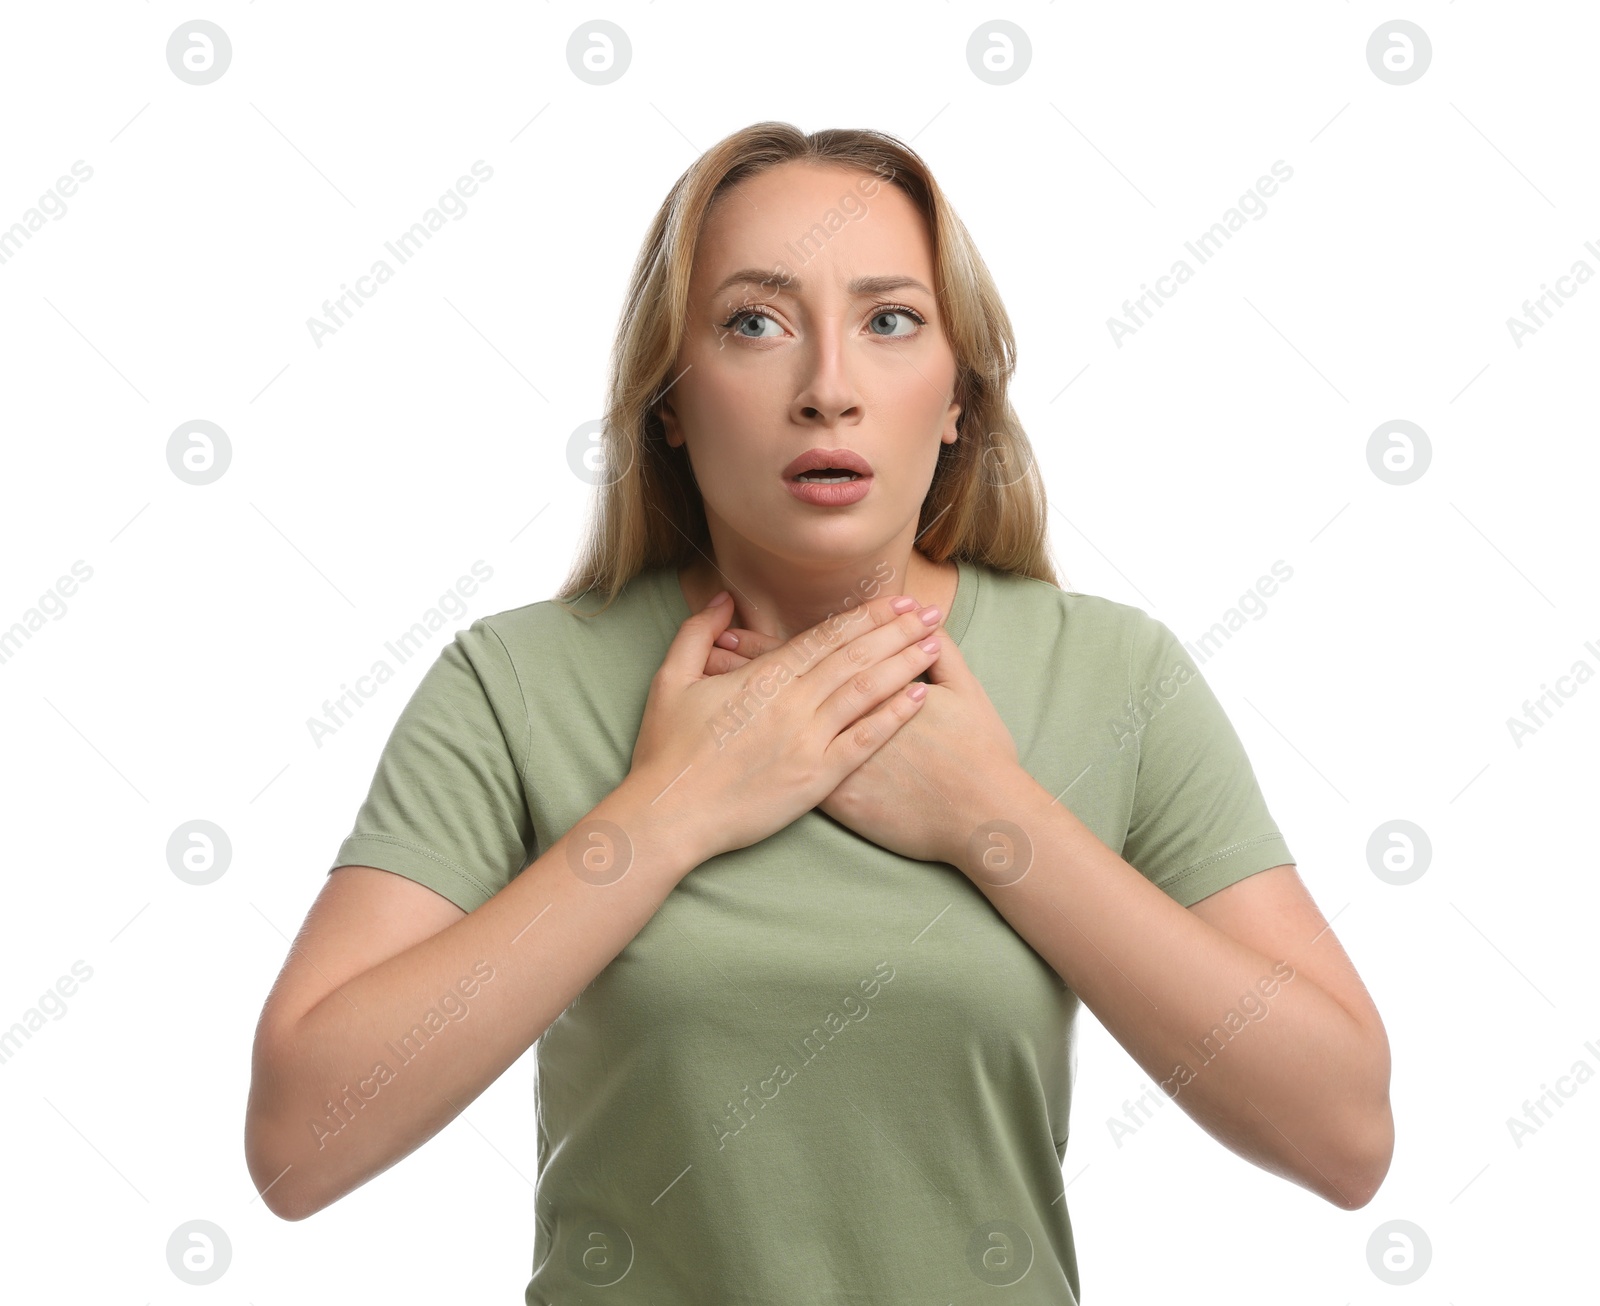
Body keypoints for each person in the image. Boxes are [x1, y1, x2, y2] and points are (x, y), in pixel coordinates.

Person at [244, 122, 1393, 1303]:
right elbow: (297, 1143)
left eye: (890, 321)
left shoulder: (1110, 674)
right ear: (671, 403)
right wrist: (667, 815)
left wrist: (993, 815)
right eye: (754, 322)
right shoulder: (514, 682)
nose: (828, 390)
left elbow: (1345, 1134)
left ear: (958, 400)